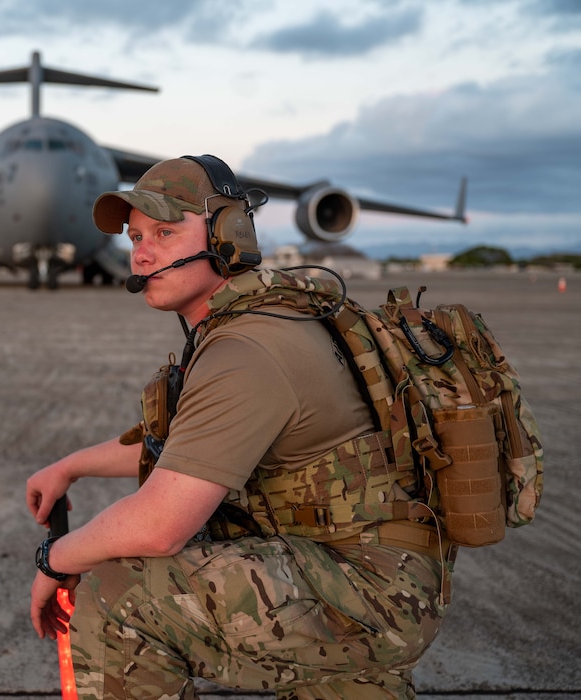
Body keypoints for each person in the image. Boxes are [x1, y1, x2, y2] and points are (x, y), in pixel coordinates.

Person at [25, 155, 451, 699]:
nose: (142, 252)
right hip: (367, 570)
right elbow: (184, 449)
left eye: (164, 231)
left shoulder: (247, 348)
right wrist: (71, 466)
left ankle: (354, 665)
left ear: (229, 235)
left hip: (367, 595)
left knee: (118, 590)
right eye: (135, 237)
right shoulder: (268, 315)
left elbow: (161, 523)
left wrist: (55, 559)